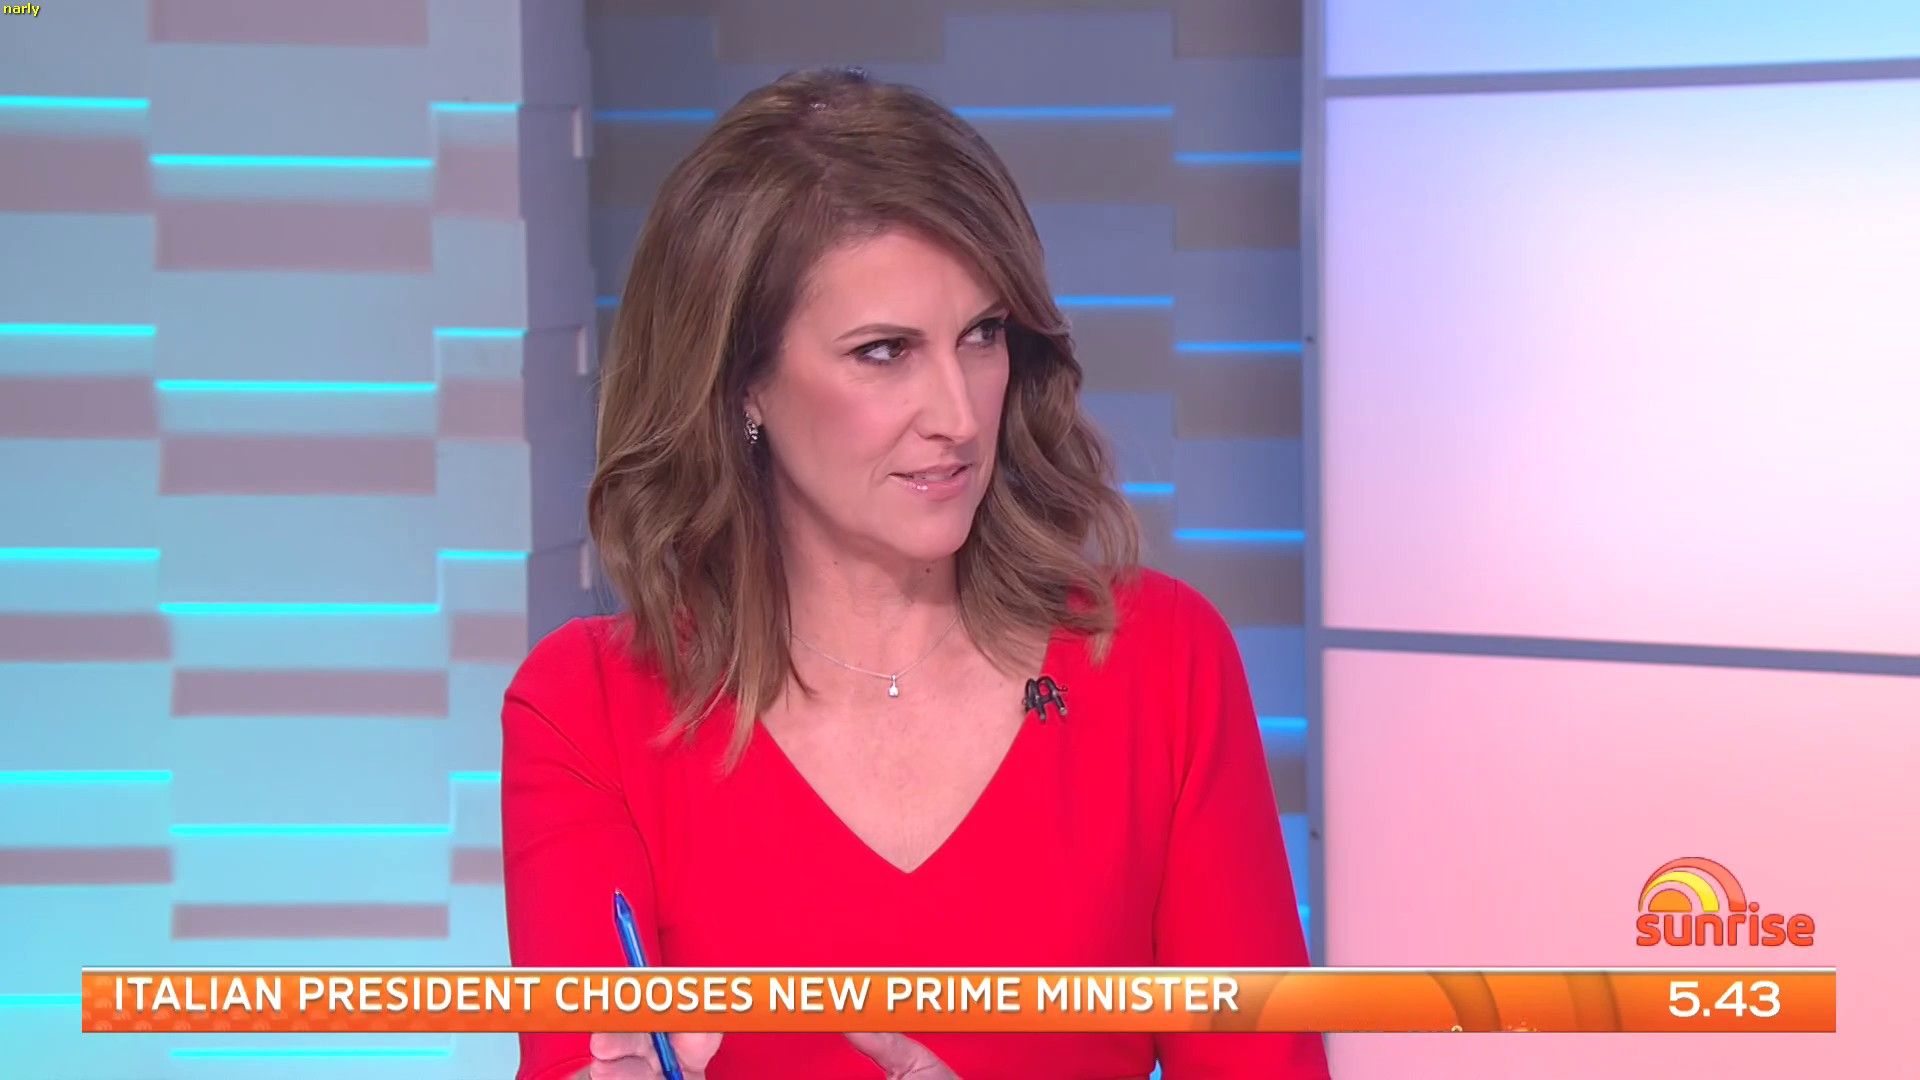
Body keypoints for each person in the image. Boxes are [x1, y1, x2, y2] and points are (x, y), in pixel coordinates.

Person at [501, 67, 1329, 1080]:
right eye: (885, 351)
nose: (960, 414)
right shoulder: (586, 713)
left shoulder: (1159, 662)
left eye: (982, 335)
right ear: (743, 383)